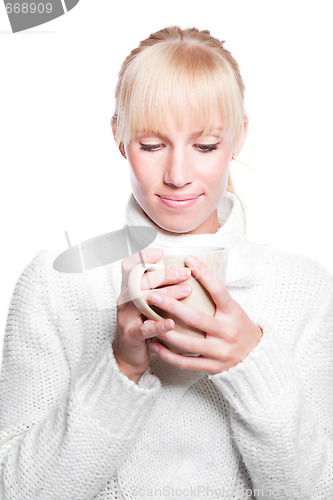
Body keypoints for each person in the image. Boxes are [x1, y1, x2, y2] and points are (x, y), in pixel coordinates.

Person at [0, 25, 333, 500]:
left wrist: (252, 363)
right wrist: (120, 365)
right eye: (152, 145)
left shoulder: (305, 290)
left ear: (239, 139)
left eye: (205, 146)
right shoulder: (58, 283)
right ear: (118, 136)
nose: (177, 176)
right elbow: (16, 491)